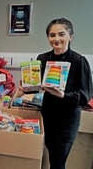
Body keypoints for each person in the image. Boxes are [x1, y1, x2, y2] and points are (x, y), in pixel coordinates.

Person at [21, 18, 93, 169]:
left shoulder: (79, 61)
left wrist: (63, 95)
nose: (56, 39)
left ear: (70, 36)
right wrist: (27, 88)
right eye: (52, 35)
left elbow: (85, 95)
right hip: (49, 114)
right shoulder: (43, 58)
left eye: (61, 34)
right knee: (52, 155)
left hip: (68, 117)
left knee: (59, 161)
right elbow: (38, 85)